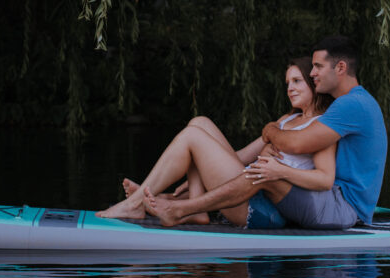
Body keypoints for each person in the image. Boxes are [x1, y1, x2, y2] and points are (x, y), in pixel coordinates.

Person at [144, 36, 387, 231]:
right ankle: (165, 202)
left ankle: (182, 209)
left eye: (318, 67)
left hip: (342, 206)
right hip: (334, 199)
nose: (313, 74)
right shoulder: (349, 104)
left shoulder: (350, 105)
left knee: (266, 174)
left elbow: (299, 145)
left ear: (341, 67)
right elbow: (263, 152)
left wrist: (271, 130)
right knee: (202, 126)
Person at [97, 57, 335, 226]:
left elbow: (324, 177)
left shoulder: (321, 127)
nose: (290, 89)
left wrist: (280, 170)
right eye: (287, 83)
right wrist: (201, 168)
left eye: (296, 81)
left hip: (261, 206)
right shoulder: (286, 120)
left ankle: (139, 203)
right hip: (244, 186)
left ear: (313, 84)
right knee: (199, 123)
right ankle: (186, 204)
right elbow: (242, 156)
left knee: (193, 137)